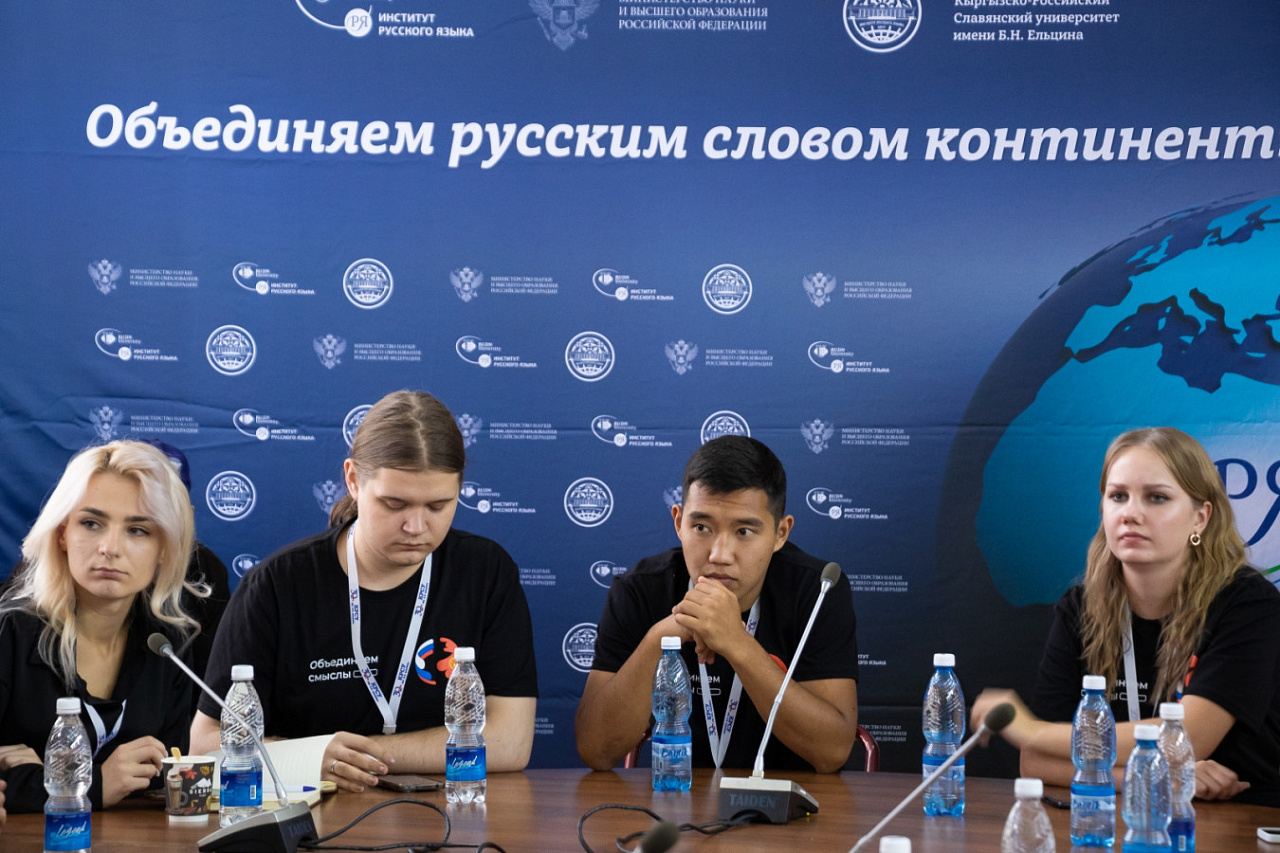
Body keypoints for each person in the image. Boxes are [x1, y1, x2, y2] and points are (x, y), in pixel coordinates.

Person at [190, 391, 538, 790]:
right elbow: (206, 742)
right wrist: (310, 760)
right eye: (394, 504)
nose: (415, 527)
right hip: (316, 811)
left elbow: (511, 741)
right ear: (353, 480)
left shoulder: (486, 573)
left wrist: (355, 757)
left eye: (438, 506)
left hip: (451, 809)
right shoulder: (276, 586)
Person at [971, 427, 1280, 806]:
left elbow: (1187, 739)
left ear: (1200, 518)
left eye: (1156, 498)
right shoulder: (1080, 608)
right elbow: (1036, 763)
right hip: (1123, 816)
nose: (1131, 514)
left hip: (1242, 816)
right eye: (1118, 496)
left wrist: (1030, 730)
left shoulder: (1247, 603)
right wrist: (1159, 777)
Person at [575, 435, 859, 773]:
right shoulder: (638, 590)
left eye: (744, 532)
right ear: (678, 522)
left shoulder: (817, 591)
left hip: (787, 799)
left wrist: (737, 644)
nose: (719, 555)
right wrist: (661, 636)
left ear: (780, 533)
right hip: (675, 796)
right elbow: (596, 751)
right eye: (701, 527)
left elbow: (832, 752)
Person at [0, 440, 202, 812]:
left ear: (164, 548)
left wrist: (43, 776)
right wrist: (94, 783)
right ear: (62, 532)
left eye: (137, 530)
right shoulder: (9, 633)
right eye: (91, 524)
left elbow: (166, 777)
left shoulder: (167, 645)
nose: (110, 547)